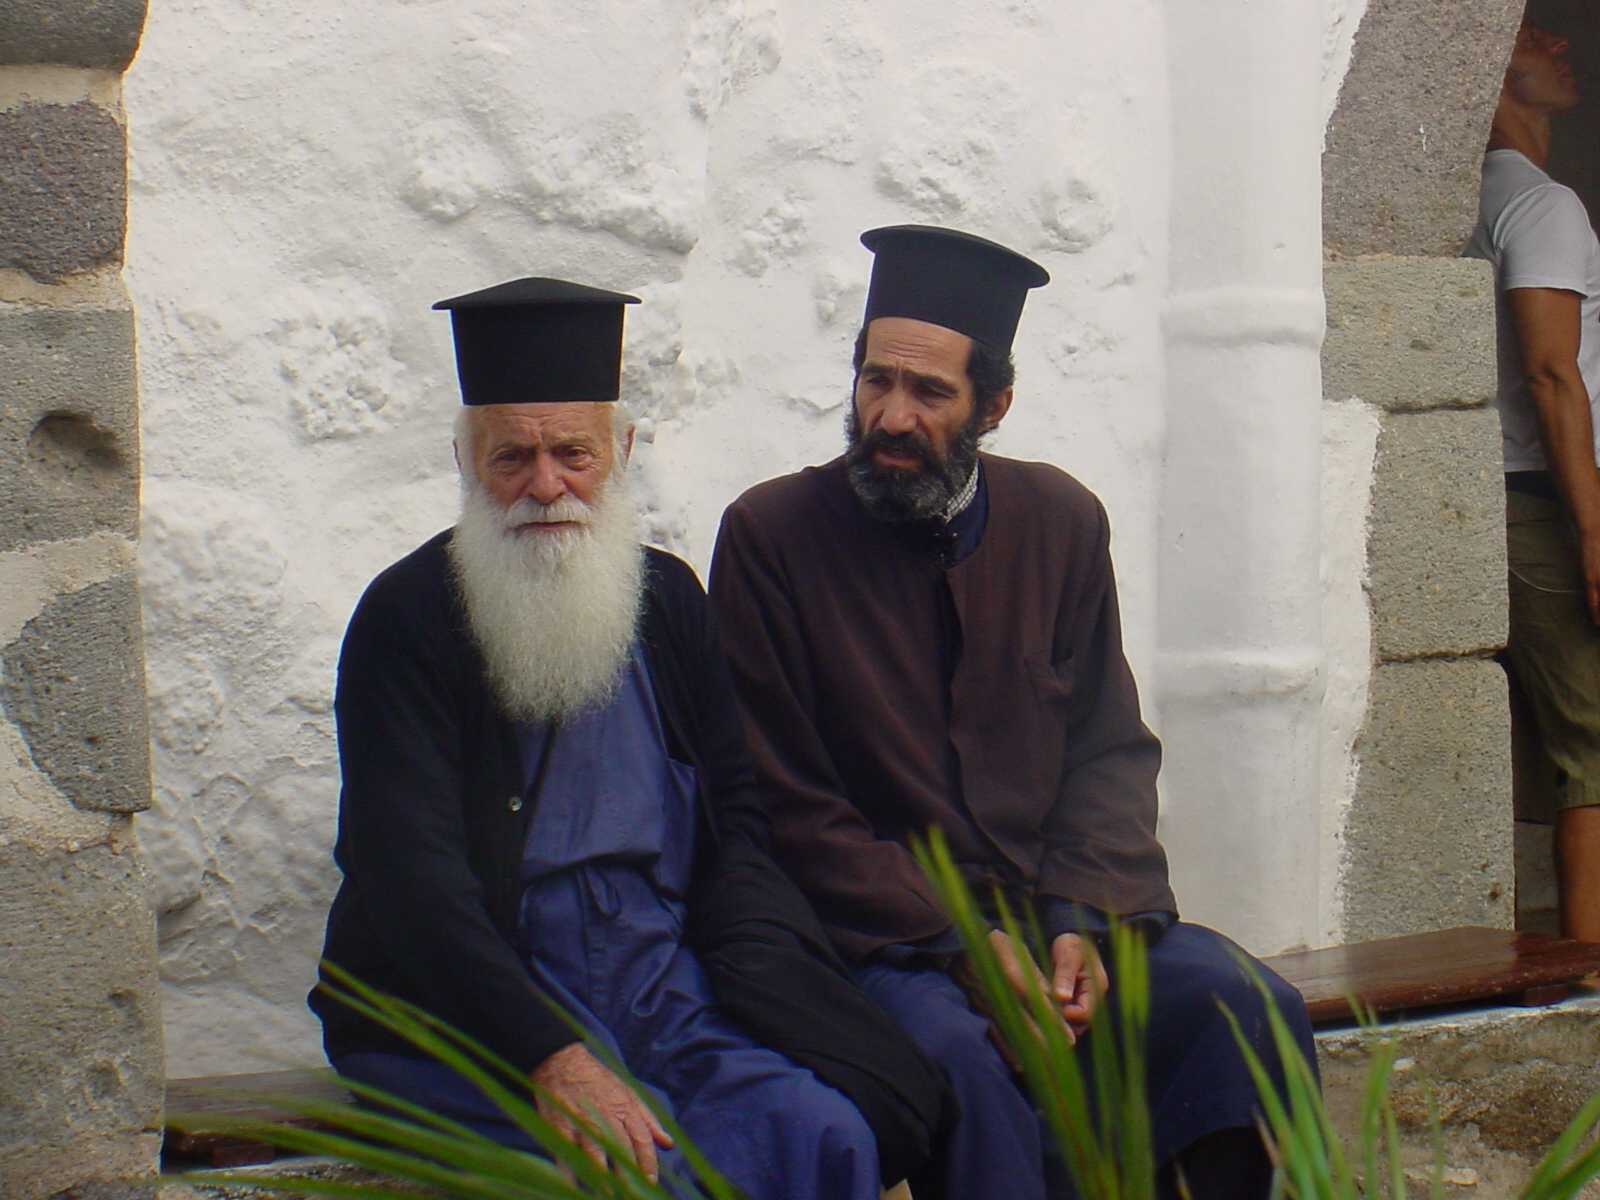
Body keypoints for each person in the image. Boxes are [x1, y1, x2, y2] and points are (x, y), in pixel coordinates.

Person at [309, 277, 951, 1199]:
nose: (546, 485)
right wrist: (551, 1055)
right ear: (464, 459)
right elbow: (411, 879)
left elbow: (735, 820)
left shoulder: (670, 599)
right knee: (645, 1174)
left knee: (828, 1132)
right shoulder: (406, 617)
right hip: (472, 1006)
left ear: (621, 450)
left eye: (573, 452)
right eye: (511, 457)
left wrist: (775, 984)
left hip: (662, 983)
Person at [708, 225, 1316, 1200]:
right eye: (875, 381)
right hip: (888, 941)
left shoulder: (1059, 522)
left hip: (1058, 912)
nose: (890, 417)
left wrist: (1081, 920)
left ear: (993, 405)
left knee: (1239, 1002)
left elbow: (1106, 750)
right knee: (970, 1064)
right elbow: (787, 803)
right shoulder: (769, 536)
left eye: (929, 392)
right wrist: (959, 946)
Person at [1466, 20, 1600, 943]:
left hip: (1508, 492)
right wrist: (1593, 531)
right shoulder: (1543, 204)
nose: (1559, 45)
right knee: (1594, 747)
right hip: (1548, 499)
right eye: (1531, 34)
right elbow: (1554, 374)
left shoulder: (1476, 198)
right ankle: (1587, 979)